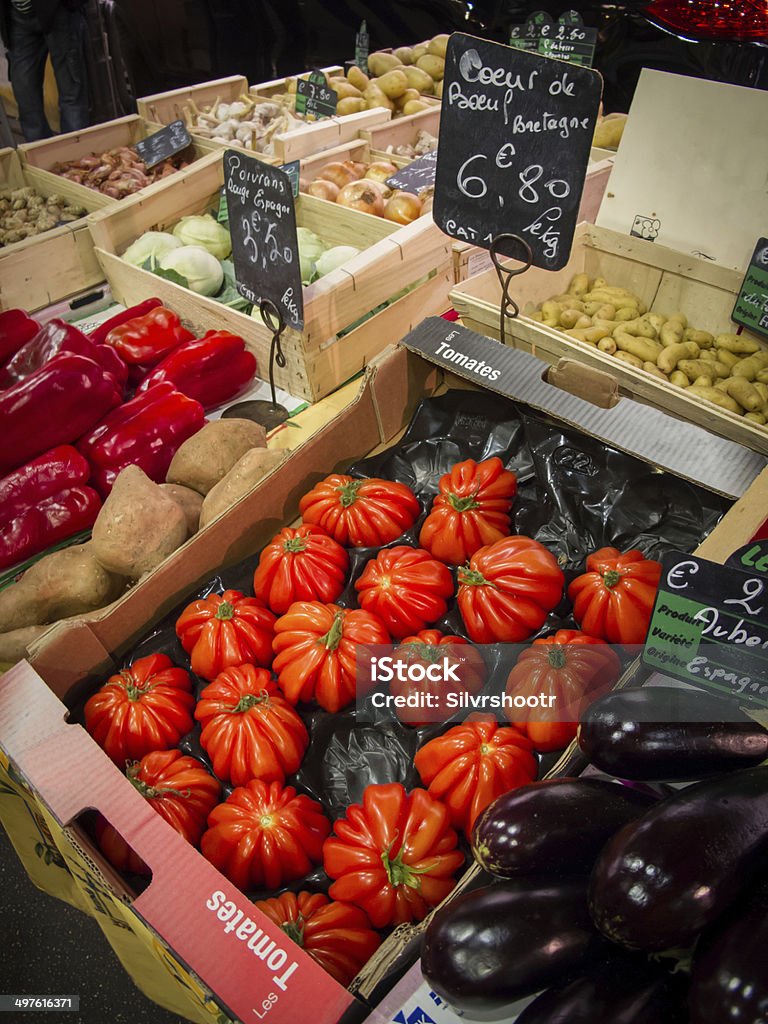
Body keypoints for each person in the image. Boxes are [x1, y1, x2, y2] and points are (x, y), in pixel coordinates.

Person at [0, 0, 89, 141]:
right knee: (26, 99)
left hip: (58, 12)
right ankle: (40, 160)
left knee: (71, 95)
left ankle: (77, 156)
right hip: (16, 16)